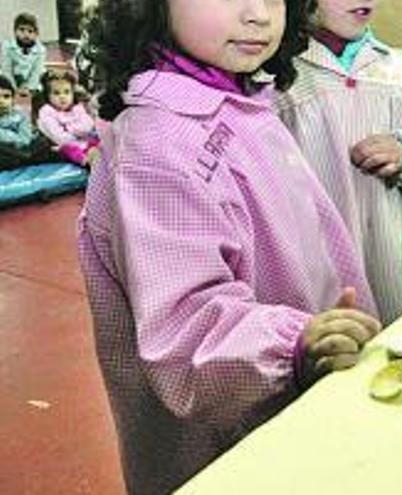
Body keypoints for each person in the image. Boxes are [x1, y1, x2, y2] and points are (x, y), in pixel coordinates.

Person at [79, 0, 381, 493]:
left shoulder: (240, 99)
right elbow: (185, 327)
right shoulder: (157, 143)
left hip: (302, 408)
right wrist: (291, 346)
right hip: (234, 444)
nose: (260, 14)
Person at [277, 0, 402, 323]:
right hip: (310, 257)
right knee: (323, 348)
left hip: (383, 249)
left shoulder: (392, 67)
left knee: (381, 350)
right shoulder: (281, 72)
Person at [36, 70, 100, 167]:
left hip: (87, 143)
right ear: (48, 96)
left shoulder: (77, 108)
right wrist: (79, 134)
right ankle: (86, 162)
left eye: (67, 92)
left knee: (99, 143)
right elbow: (60, 138)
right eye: (56, 93)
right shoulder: (46, 112)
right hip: (64, 147)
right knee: (69, 149)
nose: (62, 97)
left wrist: (69, 128)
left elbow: (88, 126)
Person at [0, 73, 59, 170]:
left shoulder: (20, 116)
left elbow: (24, 140)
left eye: (6, 96)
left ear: (13, 99)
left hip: (23, 150)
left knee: (43, 143)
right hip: (8, 154)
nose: (1, 101)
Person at [0, 13, 46, 98]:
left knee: (44, 82)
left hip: (31, 80)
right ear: (15, 31)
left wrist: (29, 88)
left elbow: (37, 71)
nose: (26, 34)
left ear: (36, 34)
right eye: (21, 30)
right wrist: (13, 88)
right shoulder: (7, 46)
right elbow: (6, 69)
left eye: (30, 31)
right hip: (12, 78)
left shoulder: (41, 49)